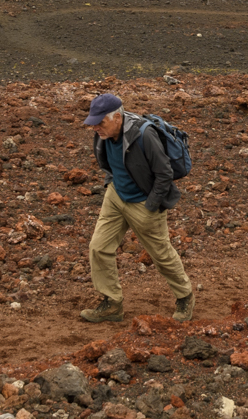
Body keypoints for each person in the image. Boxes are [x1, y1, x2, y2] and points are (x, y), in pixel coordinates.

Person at [81, 92, 193, 323]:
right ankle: (112, 303)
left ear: (118, 118)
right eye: (93, 123)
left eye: (100, 122)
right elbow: (107, 162)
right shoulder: (102, 133)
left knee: (160, 254)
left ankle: (185, 297)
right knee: (98, 247)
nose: (96, 128)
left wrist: (151, 205)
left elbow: (164, 174)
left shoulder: (144, 134)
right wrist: (110, 183)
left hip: (143, 201)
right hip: (116, 196)